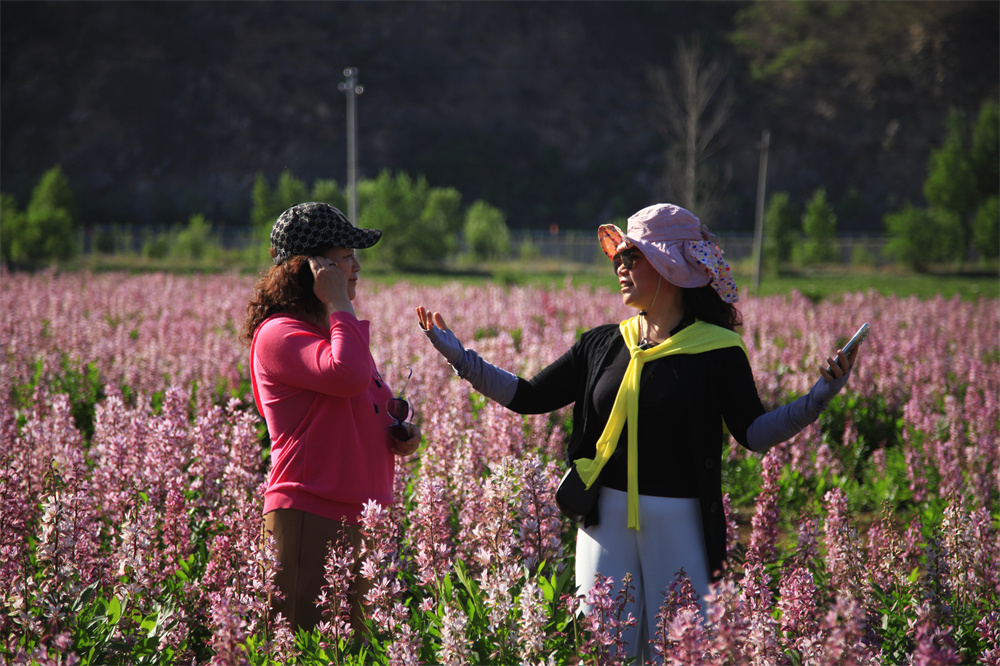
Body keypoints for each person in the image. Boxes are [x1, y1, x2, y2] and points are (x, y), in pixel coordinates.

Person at [415, 203, 859, 660]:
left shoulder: (718, 350)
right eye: (619, 257)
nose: (620, 266)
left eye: (634, 257)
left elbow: (753, 432)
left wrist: (817, 399)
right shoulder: (604, 343)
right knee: (604, 651)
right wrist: (460, 358)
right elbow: (529, 396)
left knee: (676, 651)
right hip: (603, 520)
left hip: (679, 521)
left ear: (671, 266)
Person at [241, 201, 421, 633]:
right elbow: (348, 375)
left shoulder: (329, 331)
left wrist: (398, 433)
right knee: (308, 649)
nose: (357, 265)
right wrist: (339, 300)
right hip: (310, 512)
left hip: (358, 512)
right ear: (313, 268)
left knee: (351, 651)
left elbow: (364, 396)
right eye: (345, 256)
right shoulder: (278, 334)